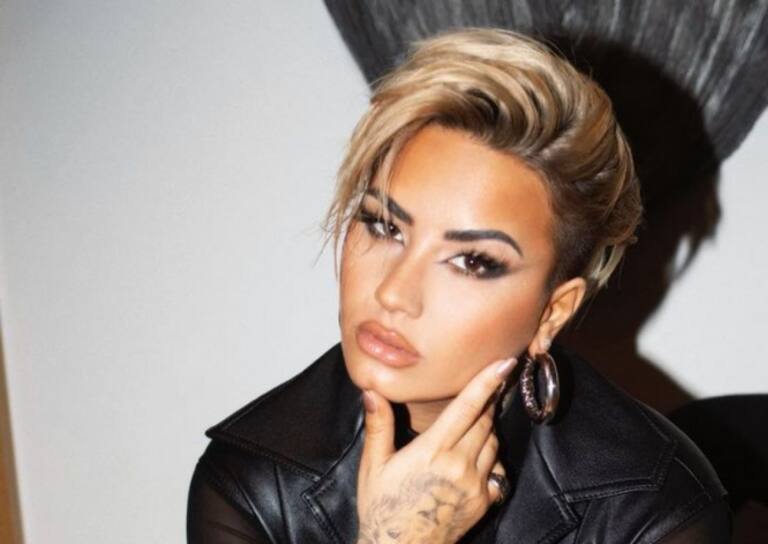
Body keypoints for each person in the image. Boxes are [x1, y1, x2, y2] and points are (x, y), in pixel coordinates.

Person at [186, 27, 730, 543]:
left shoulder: (652, 508)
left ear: (552, 312)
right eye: (384, 226)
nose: (394, 292)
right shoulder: (253, 485)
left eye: (471, 261)